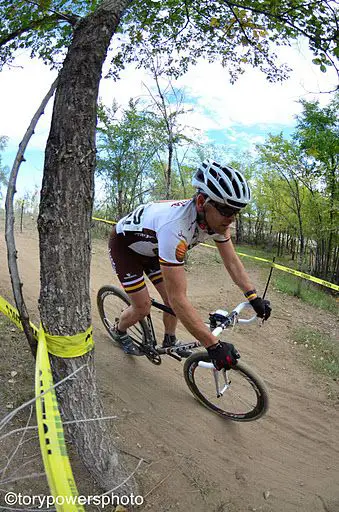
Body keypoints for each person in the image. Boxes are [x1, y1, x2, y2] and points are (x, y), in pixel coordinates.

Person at [108, 160, 271, 370]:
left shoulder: (215, 222)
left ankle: (169, 340)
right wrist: (213, 345)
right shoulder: (176, 226)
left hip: (154, 250)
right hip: (126, 248)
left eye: (236, 212)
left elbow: (231, 262)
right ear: (202, 201)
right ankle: (119, 330)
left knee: (170, 302)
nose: (230, 218)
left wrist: (253, 296)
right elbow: (179, 299)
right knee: (143, 306)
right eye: (225, 210)